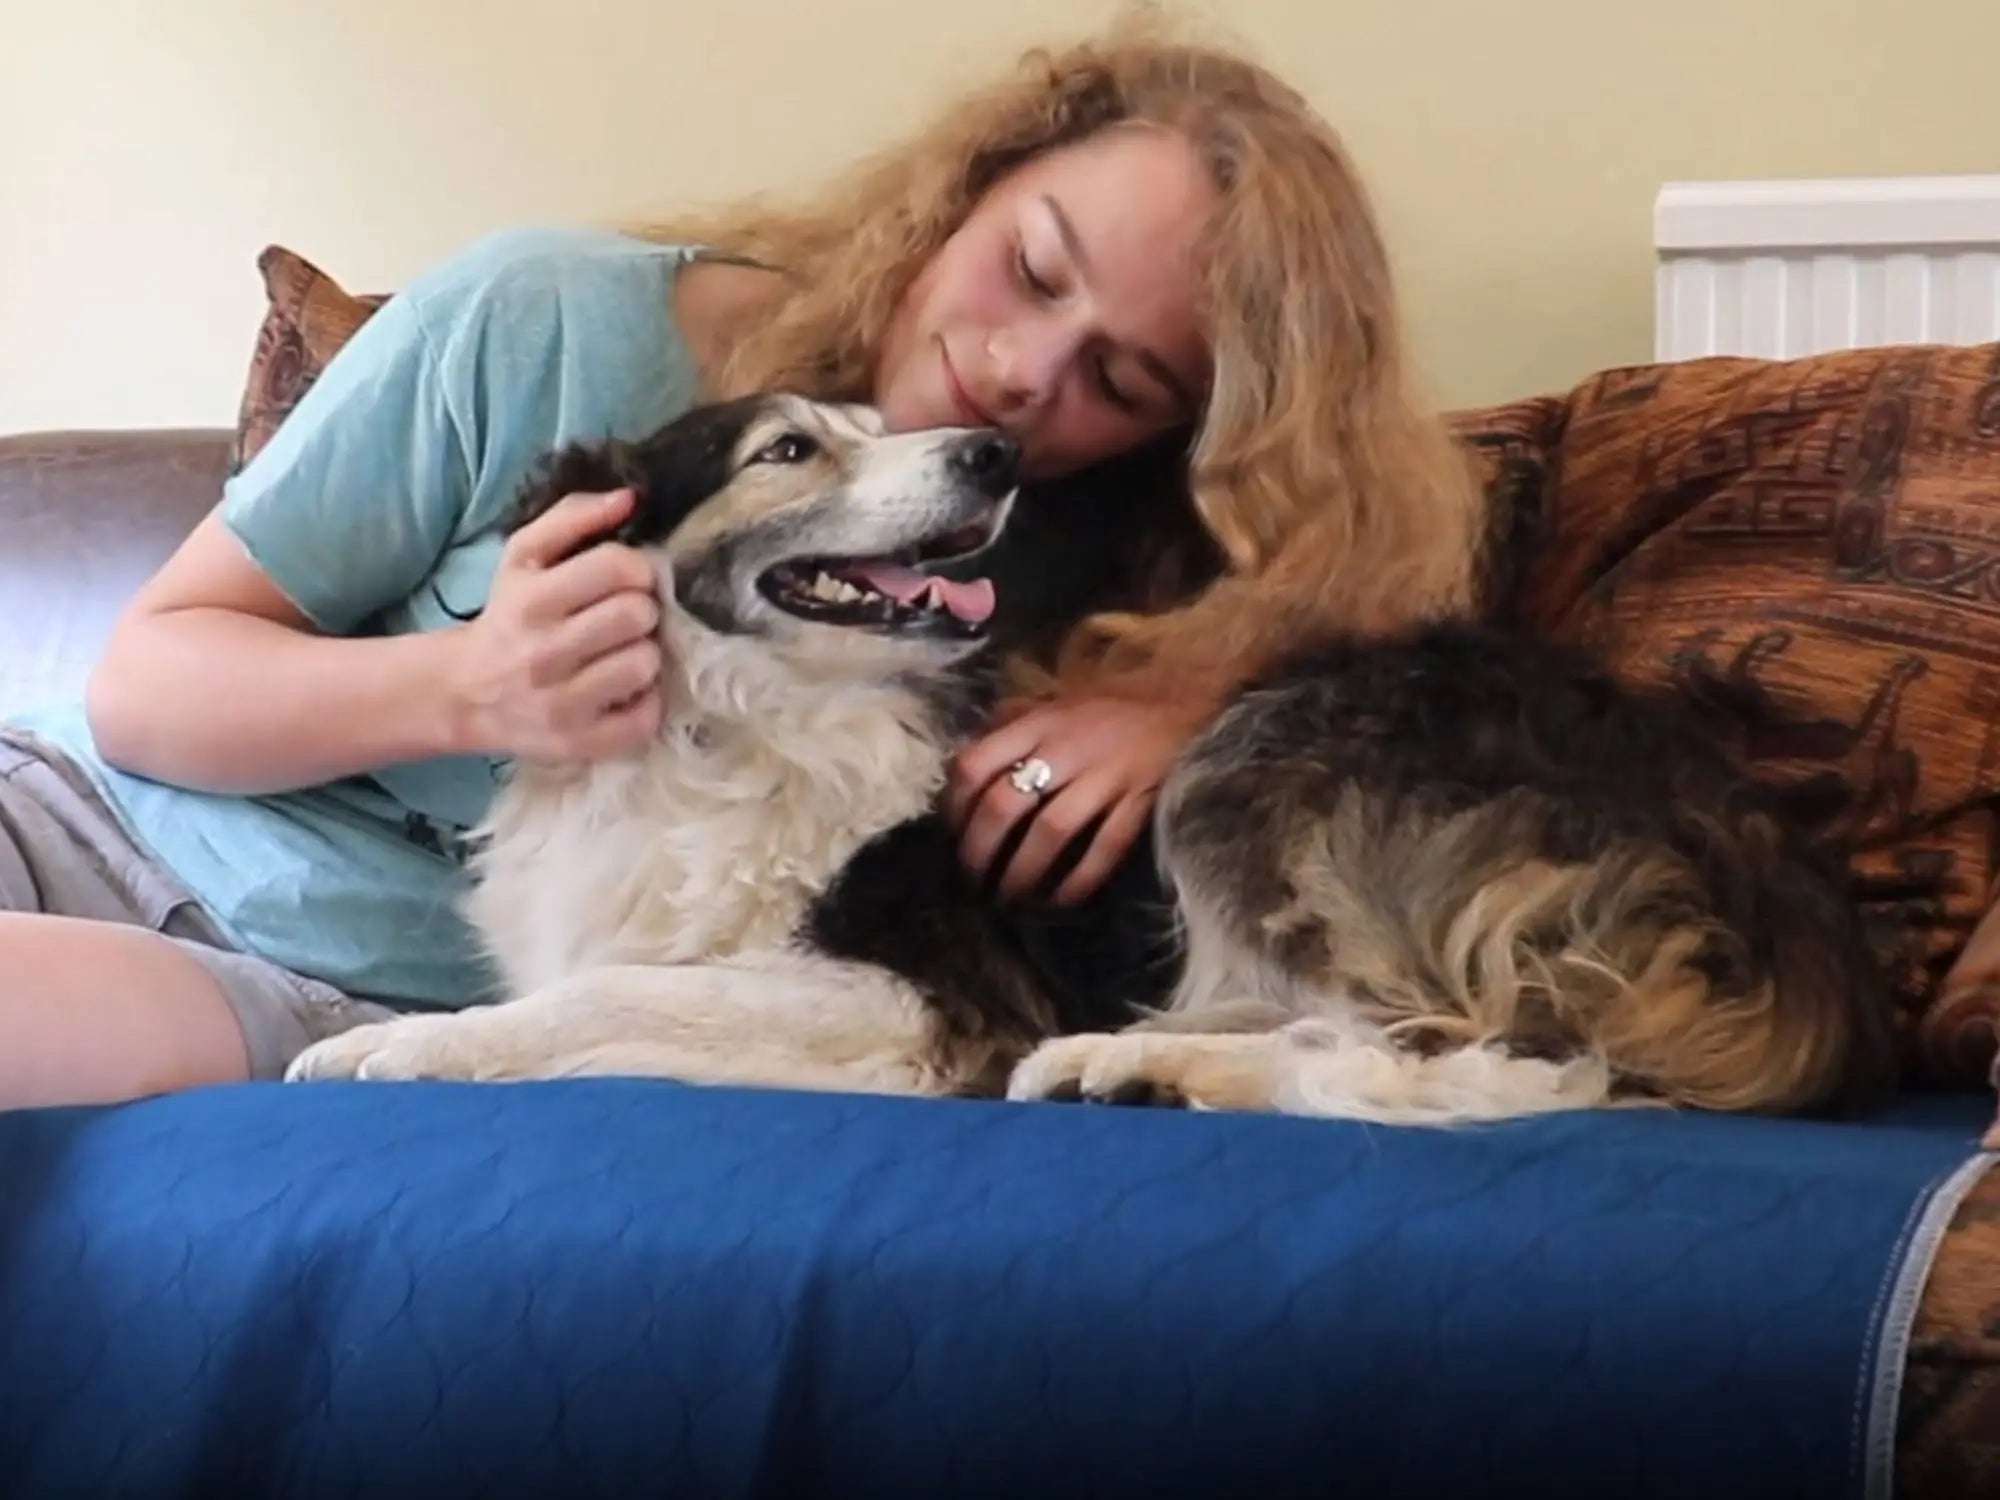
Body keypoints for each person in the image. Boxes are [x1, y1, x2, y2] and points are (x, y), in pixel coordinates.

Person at [0, 16, 1482, 1109]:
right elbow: (145, 682)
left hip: (331, 991)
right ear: (970, 183)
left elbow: (1381, 692)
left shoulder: (1077, 583)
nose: (1027, 372)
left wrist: (1184, 703)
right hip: (93, 828)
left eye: (1125, 379)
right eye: (1031, 268)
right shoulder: (547, 323)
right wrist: (467, 687)